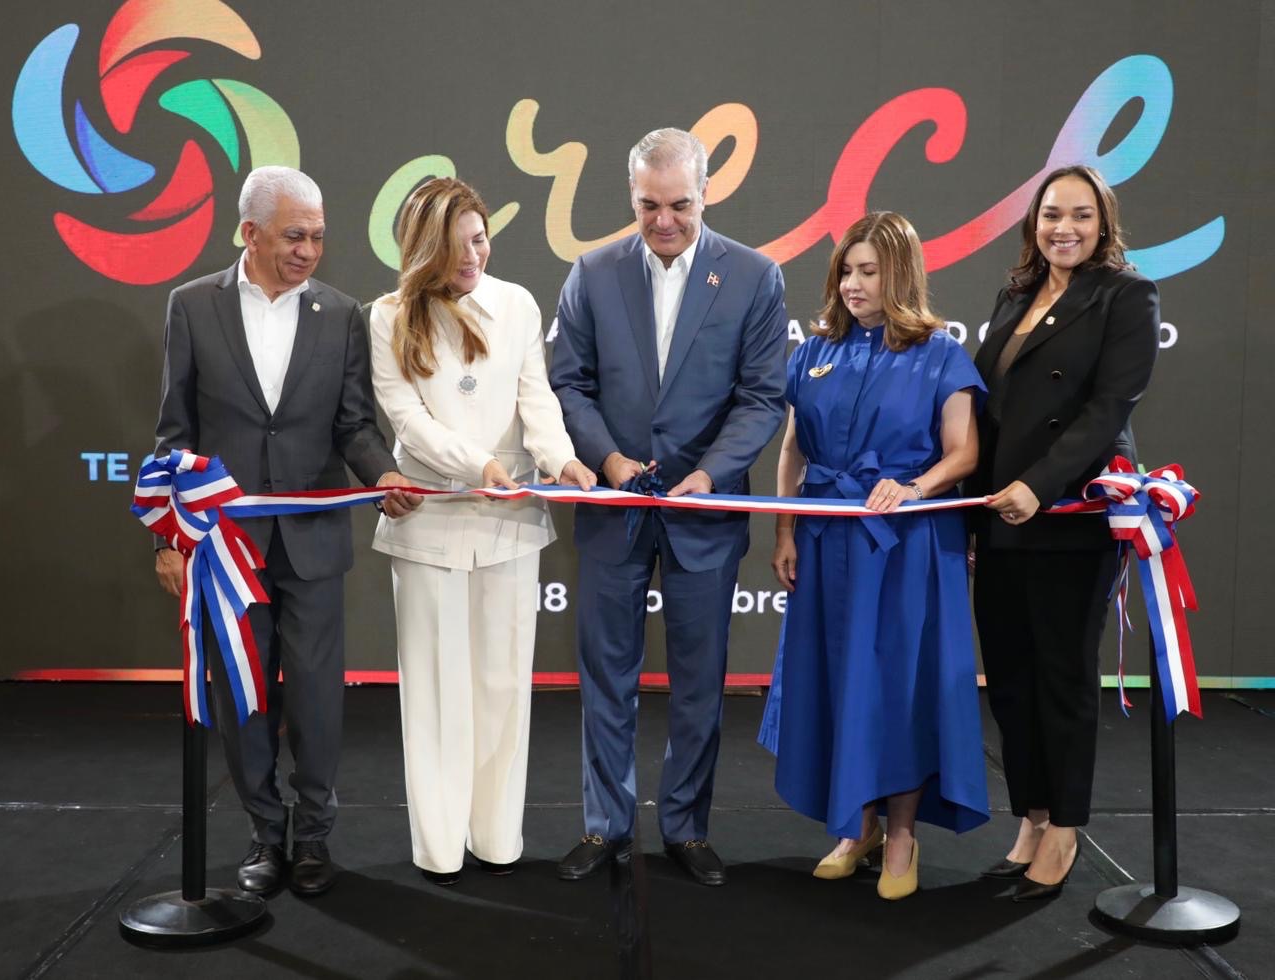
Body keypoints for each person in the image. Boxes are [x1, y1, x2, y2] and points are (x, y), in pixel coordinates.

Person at [153, 166, 418, 897]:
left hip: (313, 540)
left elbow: (355, 425)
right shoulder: (191, 306)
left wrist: (382, 475)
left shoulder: (342, 314)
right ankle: (264, 836)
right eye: (294, 236)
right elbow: (174, 435)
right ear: (250, 232)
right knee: (243, 697)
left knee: (316, 698)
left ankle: (314, 837)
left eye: (318, 238)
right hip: (225, 546)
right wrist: (169, 539)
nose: (308, 251)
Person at [549, 128, 788, 886]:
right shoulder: (591, 273)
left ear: (706, 193)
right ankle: (605, 824)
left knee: (699, 680)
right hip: (612, 507)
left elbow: (762, 397)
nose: (663, 221)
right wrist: (607, 460)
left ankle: (686, 826)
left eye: (679, 205)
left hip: (704, 513)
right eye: (648, 205)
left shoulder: (754, 276)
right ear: (631, 196)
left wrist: (713, 474)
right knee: (605, 676)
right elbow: (568, 383)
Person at [369, 177, 595, 886]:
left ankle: (498, 838)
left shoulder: (518, 304)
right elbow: (408, 422)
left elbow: (538, 401)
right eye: (458, 244)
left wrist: (562, 461)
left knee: (502, 686)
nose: (473, 255)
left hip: (511, 522)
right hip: (429, 523)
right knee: (434, 690)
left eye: (480, 239)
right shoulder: (387, 316)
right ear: (424, 247)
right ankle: (439, 848)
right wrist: (480, 466)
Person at [758, 211, 989, 900]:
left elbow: (964, 454)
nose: (854, 284)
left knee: (899, 688)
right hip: (825, 541)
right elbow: (793, 448)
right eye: (846, 272)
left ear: (901, 274)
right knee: (837, 681)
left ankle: (902, 836)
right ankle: (854, 828)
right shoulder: (813, 351)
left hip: (907, 548)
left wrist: (914, 487)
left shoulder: (941, 354)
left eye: (869, 271)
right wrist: (785, 530)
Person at [969, 164, 1159, 901]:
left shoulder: (1127, 295)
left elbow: (1107, 411)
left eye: (1081, 215)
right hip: (1000, 512)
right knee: (1010, 679)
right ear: (1034, 222)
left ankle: (1066, 828)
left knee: (1063, 678)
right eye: (1052, 214)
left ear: (1103, 222)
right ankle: (1032, 814)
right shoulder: (1015, 294)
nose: (1064, 228)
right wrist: (973, 505)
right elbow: (989, 408)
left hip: (1070, 516)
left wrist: (1039, 486)